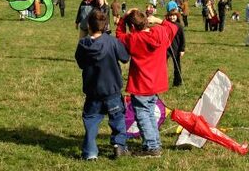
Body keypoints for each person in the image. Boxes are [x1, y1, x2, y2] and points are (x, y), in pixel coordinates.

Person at [116, 8, 178, 157]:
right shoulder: (160, 32)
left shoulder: (134, 39)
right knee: (149, 112)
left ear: (132, 27)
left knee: (143, 114)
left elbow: (119, 36)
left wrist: (124, 18)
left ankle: (152, 147)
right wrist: (158, 20)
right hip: (156, 82)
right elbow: (173, 27)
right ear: (146, 22)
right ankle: (155, 143)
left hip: (142, 84)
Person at [75, 9, 130, 161]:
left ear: (89, 26)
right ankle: (119, 145)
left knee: (91, 120)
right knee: (117, 118)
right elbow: (125, 57)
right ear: (105, 26)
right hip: (112, 89)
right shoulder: (112, 41)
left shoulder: (83, 44)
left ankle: (90, 153)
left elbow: (80, 63)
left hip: (93, 91)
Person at [165, 9, 185, 87]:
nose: (172, 17)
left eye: (174, 16)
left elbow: (183, 38)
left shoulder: (179, 26)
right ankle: (162, 81)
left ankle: (177, 81)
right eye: (171, 16)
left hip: (176, 48)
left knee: (177, 65)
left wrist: (182, 49)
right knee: (163, 64)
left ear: (177, 16)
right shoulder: (166, 24)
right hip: (166, 48)